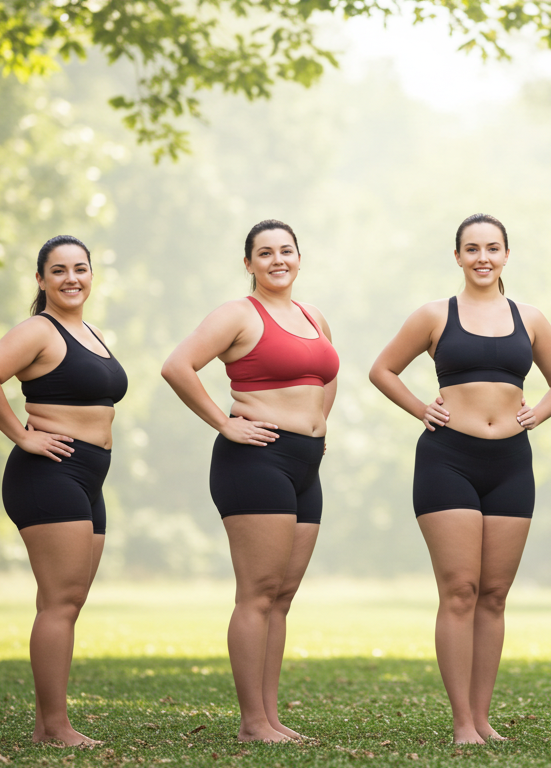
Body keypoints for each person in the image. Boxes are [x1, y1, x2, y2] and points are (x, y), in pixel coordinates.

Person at [369, 213, 551, 744]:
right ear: (457, 257)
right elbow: (382, 370)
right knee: (460, 590)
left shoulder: (530, 318)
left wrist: (538, 413)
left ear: (507, 255)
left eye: (493, 248)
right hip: (448, 461)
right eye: (472, 248)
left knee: (495, 594)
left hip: (511, 463)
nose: (483, 257)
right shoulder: (435, 315)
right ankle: (462, 722)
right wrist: (421, 409)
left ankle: (484, 718)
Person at [161, 220, 337, 743]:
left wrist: (320, 426)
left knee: (282, 596)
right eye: (265, 253)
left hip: (306, 465)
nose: (277, 260)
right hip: (257, 461)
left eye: (286, 250)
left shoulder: (313, 315)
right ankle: (252, 723)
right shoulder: (237, 314)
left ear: (299, 257)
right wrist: (223, 421)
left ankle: (272, 717)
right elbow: (178, 366)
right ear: (249, 263)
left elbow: (327, 375)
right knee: (257, 593)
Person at [0, 235, 125, 745]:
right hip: (49, 474)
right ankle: (54, 728)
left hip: (87, 476)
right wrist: (22, 434)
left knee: (69, 601)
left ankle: (50, 724)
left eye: (81, 268)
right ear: (40, 279)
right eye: (58, 270)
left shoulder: (93, 332)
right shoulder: (39, 329)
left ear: (92, 275)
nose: (71, 278)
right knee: (59, 601)